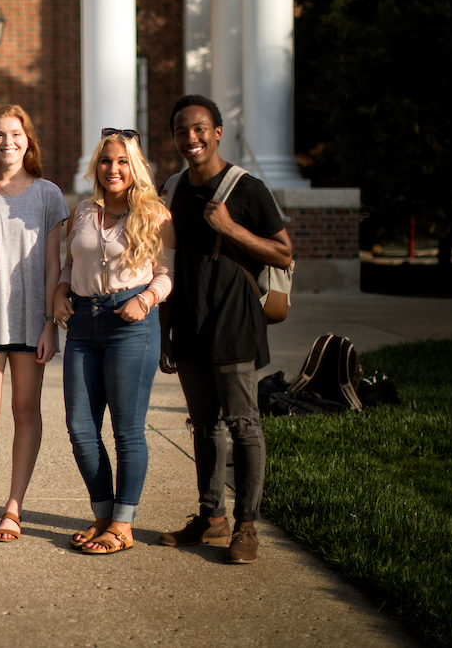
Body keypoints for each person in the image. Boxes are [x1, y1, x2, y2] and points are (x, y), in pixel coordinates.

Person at [156, 95, 292, 564]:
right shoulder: (172, 189)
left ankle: (247, 526)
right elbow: (167, 263)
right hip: (190, 322)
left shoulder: (246, 188)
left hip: (234, 321)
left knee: (243, 425)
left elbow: (283, 254)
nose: (190, 139)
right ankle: (212, 518)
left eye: (198, 129)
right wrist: (164, 332)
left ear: (216, 132)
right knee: (204, 427)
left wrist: (232, 229)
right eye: (181, 131)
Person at [51, 128, 174, 555]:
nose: (113, 169)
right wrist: (61, 292)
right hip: (84, 324)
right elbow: (70, 264)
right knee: (81, 428)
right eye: (106, 161)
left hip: (131, 324)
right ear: (96, 167)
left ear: (135, 166)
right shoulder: (82, 211)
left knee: (126, 431)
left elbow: (167, 273)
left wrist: (147, 298)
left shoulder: (155, 214)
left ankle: (123, 524)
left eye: (122, 161)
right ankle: (103, 514)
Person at [0, 105, 68, 542]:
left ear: (29, 140)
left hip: (30, 320)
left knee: (25, 412)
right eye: (0, 135)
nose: (8, 142)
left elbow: (52, 265)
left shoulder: (48, 194)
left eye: (16, 134)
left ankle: (13, 507)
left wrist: (49, 324)